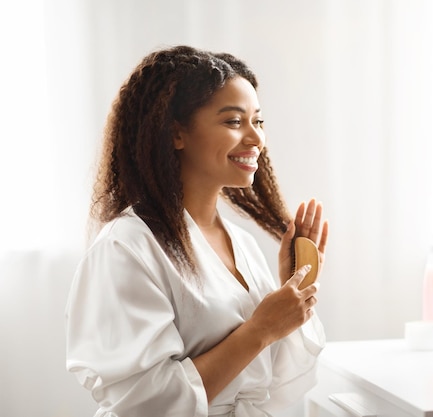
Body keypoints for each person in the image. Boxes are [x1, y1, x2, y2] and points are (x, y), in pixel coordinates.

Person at [65, 45, 329, 417]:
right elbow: (145, 404)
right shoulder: (127, 247)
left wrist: (292, 293)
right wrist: (259, 329)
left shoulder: (243, 245)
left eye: (258, 121)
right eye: (234, 121)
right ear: (176, 133)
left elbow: (276, 384)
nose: (256, 139)